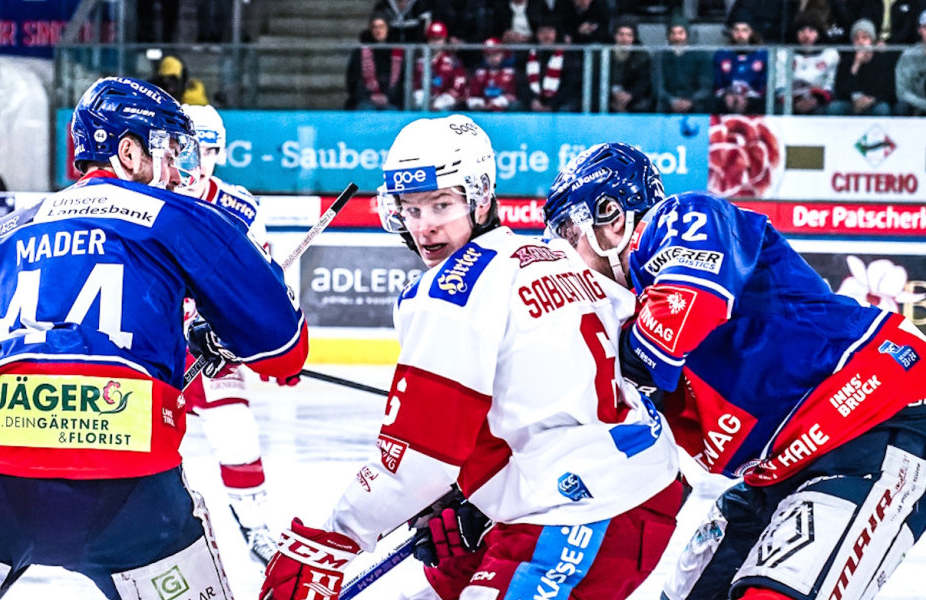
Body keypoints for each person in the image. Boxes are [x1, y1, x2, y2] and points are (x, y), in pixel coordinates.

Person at [0, 76, 305, 600]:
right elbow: (282, 347)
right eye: (166, 151)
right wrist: (219, 335)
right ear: (128, 151)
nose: (174, 169)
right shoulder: (184, 216)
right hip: (131, 493)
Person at [258, 118, 683, 600]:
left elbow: (418, 456)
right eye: (411, 209)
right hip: (639, 483)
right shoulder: (548, 257)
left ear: (481, 198)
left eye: (442, 204)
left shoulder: (450, 291)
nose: (425, 225)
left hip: (581, 510)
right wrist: (476, 496)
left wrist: (331, 539)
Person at [541, 142, 926, 600]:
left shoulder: (681, 219)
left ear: (611, 216)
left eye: (568, 233)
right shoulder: (622, 313)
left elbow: (670, 334)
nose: (563, 254)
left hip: (870, 430)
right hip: (772, 476)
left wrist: (593, 356)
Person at [173, 104, 289, 566]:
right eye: (187, 149)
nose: (197, 160)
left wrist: (271, 342)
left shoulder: (240, 207)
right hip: (151, 346)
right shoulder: (146, 198)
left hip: (212, 349)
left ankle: (255, 525)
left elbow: (261, 283)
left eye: (209, 149)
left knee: (237, 433)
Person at [829, 19, 899, 116]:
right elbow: (840, 90)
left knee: (882, 109)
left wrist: (873, 99)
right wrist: (856, 65)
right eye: (857, 39)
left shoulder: (881, 60)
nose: (860, 42)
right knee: (834, 108)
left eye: (865, 38)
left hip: (873, 102)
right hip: (851, 103)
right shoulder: (846, 61)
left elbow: (888, 89)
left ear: (871, 40)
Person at [518, 20, 585, 112]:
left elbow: (570, 85)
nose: (546, 36)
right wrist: (533, 100)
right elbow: (522, 83)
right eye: (542, 32)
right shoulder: (527, 56)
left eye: (549, 31)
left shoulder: (568, 55)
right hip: (533, 102)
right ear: (536, 35)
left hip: (560, 102)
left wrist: (552, 105)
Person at [347, 17, 408, 110]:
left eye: (381, 27)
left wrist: (388, 97)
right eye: (375, 27)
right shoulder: (359, 52)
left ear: (387, 29)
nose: (378, 30)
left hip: (392, 101)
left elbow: (403, 81)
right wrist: (370, 96)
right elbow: (354, 80)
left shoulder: (399, 53)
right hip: (366, 100)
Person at [659, 21, 717, 113]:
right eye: (673, 33)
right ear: (668, 36)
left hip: (695, 102)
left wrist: (691, 101)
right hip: (668, 103)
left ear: (687, 35)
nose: (677, 37)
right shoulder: (660, 56)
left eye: (680, 33)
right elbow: (658, 86)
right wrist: (672, 101)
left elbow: (706, 85)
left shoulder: (701, 54)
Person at [411, 22, 471, 111]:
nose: (435, 42)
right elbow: (415, 82)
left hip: (444, 97)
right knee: (418, 96)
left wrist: (442, 96)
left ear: (444, 40)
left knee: (444, 101)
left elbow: (458, 86)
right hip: (427, 94)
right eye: (433, 39)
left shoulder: (453, 61)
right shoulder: (420, 60)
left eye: (439, 39)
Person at [786, 20, 841, 114]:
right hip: (792, 101)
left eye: (811, 31)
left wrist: (817, 99)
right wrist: (794, 102)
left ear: (818, 34)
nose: (806, 36)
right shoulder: (785, 55)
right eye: (802, 31)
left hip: (819, 101)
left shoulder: (830, 55)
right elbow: (780, 85)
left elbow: (830, 85)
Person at [715, 21, 769, 115]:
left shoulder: (763, 55)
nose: (740, 34)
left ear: (751, 32)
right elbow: (716, 82)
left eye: (744, 30)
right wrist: (726, 95)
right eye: (736, 30)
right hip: (727, 97)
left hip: (754, 99)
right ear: (731, 32)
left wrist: (748, 97)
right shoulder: (721, 54)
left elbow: (765, 82)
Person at [609, 23, 656, 112]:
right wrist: (613, 94)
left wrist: (630, 95)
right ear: (615, 36)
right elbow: (598, 79)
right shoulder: (605, 53)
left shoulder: (642, 55)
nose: (624, 39)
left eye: (628, 35)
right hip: (609, 96)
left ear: (633, 38)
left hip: (633, 97)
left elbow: (644, 82)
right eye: (621, 34)